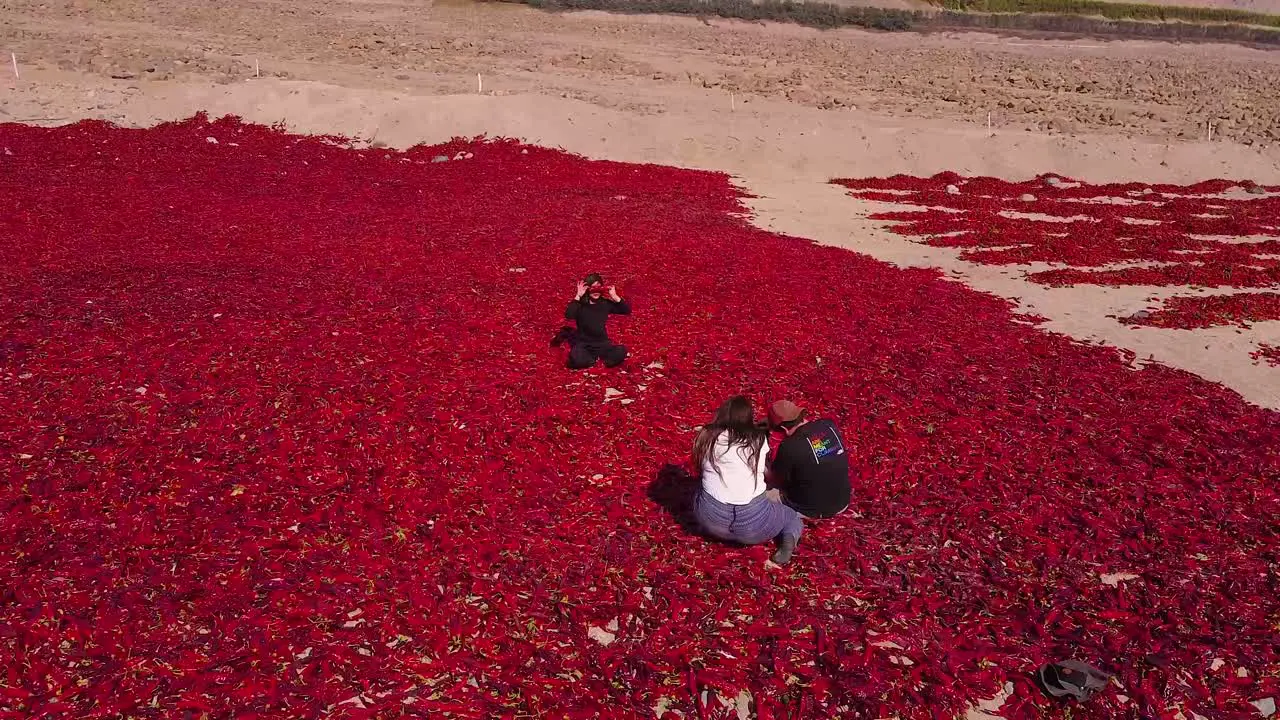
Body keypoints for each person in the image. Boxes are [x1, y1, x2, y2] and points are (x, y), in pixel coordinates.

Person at [692, 396, 804, 565]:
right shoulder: (758, 440)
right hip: (753, 525)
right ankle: (786, 544)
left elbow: (700, 470)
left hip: (710, 519)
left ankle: (710, 529)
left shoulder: (706, 436)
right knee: (791, 517)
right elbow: (768, 473)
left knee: (698, 489)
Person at [766, 400, 851, 519]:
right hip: (843, 502)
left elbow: (774, 480)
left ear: (784, 429)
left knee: (758, 496)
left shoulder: (789, 446)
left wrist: (762, 466)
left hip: (811, 510)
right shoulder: (828, 424)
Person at [563, 273, 631, 370]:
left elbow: (626, 310)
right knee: (576, 358)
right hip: (584, 345)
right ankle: (593, 360)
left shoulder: (604, 304)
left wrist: (615, 297)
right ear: (587, 289)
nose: (596, 291)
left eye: (599, 288)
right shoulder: (581, 305)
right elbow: (569, 315)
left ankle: (600, 361)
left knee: (621, 350)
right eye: (593, 288)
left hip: (603, 344)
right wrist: (578, 296)